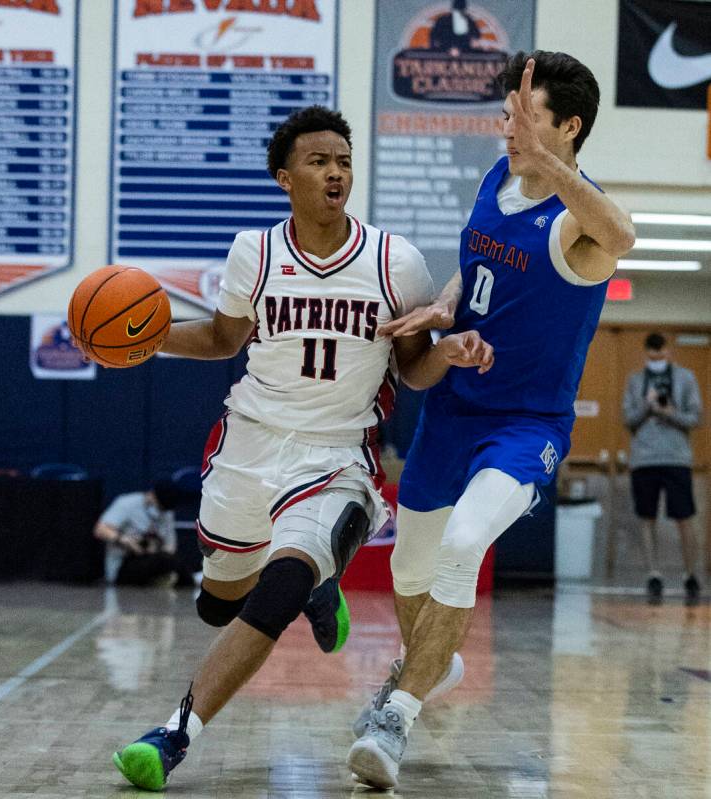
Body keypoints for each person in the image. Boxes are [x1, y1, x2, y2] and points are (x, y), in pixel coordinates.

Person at [111, 105, 494, 791]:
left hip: (337, 455)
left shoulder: (392, 259)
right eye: (319, 161)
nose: (335, 171)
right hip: (249, 445)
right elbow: (225, 340)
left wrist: (449, 353)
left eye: (343, 160)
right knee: (219, 603)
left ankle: (172, 734)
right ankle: (321, 586)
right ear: (284, 177)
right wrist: (147, 336)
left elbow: (410, 367)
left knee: (278, 585)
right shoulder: (253, 252)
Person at [347, 51, 636, 789]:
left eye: (524, 117)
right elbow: (476, 265)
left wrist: (552, 164)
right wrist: (446, 304)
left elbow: (623, 236)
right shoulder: (493, 180)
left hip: (523, 425)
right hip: (451, 409)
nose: (506, 127)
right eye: (506, 113)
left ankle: (395, 716)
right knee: (408, 569)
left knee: (464, 542)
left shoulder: (580, 226)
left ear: (568, 128)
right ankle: (432, 664)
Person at [622, 332, 703, 605]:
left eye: (660, 355)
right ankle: (652, 573)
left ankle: (690, 574)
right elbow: (628, 419)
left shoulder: (686, 378)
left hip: (676, 457)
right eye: (651, 356)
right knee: (647, 516)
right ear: (646, 354)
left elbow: (696, 417)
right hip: (644, 458)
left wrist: (671, 413)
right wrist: (647, 405)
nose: (655, 360)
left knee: (684, 517)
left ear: (668, 352)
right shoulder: (635, 380)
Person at [95, 480, 192, 587]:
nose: (160, 511)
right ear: (152, 495)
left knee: (176, 564)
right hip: (124, 562)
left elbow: (170, 547)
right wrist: (126, 541)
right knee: (163, 561)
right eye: (159, 506)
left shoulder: (166, 512)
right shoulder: (127, 504)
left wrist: (153, 548)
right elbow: (101, 530)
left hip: (153, 559)